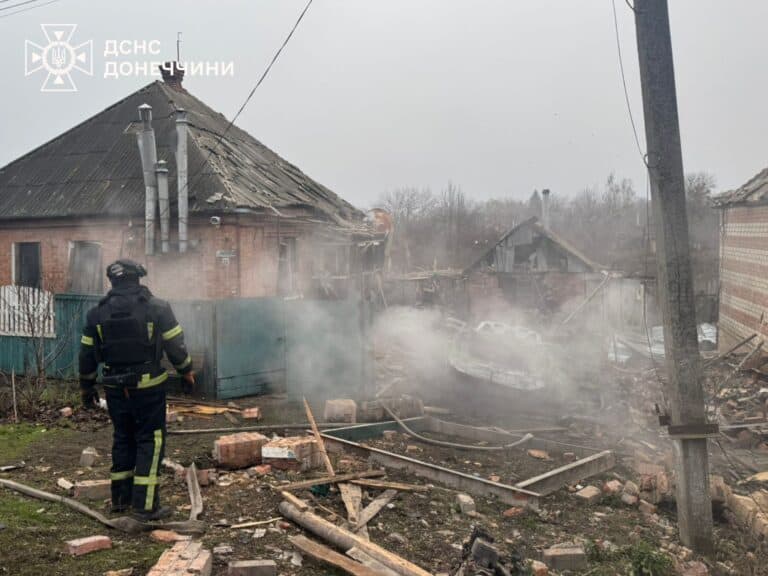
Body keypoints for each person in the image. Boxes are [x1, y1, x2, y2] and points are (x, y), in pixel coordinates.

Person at [79, 259, 195, 520]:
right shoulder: (157, 308)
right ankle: (146, 506)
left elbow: (87, 355)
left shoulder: (96, 314)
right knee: (150, 441)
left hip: (115, 389)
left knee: (123, 438)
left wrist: (86, 387)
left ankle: (120, 500)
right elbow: (176, 346)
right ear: (137, 279)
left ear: (113, 281)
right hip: (148, 389)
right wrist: (186, 371)